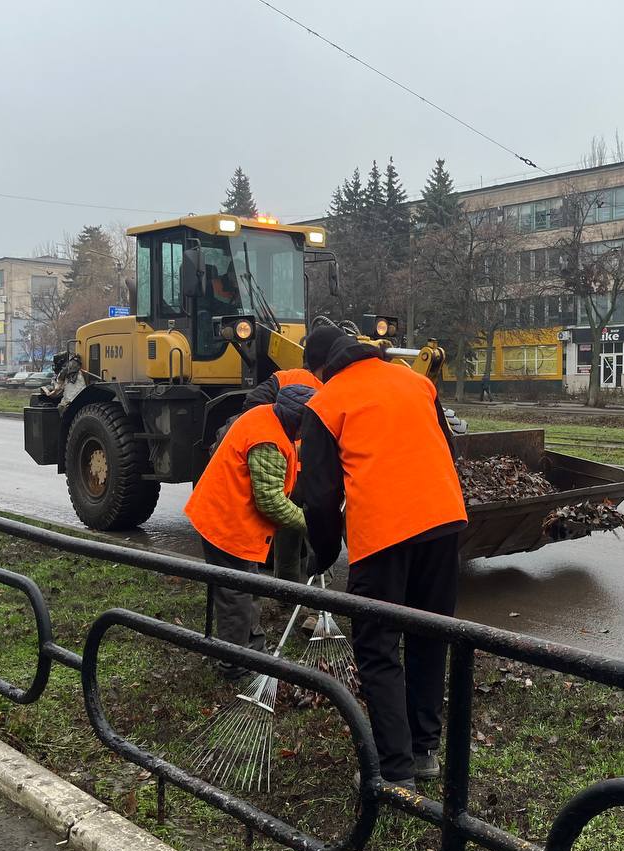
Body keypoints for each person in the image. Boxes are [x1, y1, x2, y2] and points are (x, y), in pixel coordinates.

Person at [299, 327, 467, 791]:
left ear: (320, 368)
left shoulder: (327, 402)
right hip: (444, 521)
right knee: (430, 635)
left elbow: (318, 496)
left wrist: (324, 552)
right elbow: (446, 451)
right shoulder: (415, 382)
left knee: (377, 648)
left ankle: (394, 772)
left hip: (385, 536)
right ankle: (423, 751)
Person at [185, 383, 316, 678]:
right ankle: (233, 664)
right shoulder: (268, 439)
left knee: (246, 587)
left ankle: (252, 652)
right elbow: (270, 502)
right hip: (226, 523)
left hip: (227, 517)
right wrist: (312, 524)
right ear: (298, 420)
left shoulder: (268, 418)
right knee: (236, 594)